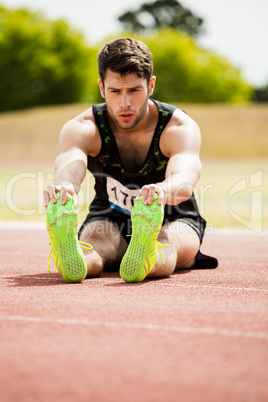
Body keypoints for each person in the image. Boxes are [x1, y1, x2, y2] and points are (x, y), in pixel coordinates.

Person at [43, 37, 217, 283]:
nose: (125, 103)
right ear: (102, 88)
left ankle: (145, 256)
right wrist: (65, 188)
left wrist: (160, 192)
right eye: (115, 91)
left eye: (134, 90)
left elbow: (184, 181)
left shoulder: (177, 127)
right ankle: (75, 262)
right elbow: (69, 166)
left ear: (151, 85)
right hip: (109, 216)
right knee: (94, 242)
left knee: (167, 242)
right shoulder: (83, 128)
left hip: (173, 215)